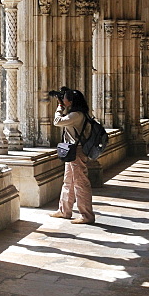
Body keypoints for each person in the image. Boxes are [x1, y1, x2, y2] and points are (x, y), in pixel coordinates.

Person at [50, 87, 95, 225]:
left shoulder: (76, 115)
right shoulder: (80, 113)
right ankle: (64, 210)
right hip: (73, 150)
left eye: (65, 98)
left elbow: (57, 121)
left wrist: (59, 107)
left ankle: (86, 215)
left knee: (80, 182)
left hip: (77, 151)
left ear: (71, 101)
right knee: (68, 181)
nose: (63, 100)